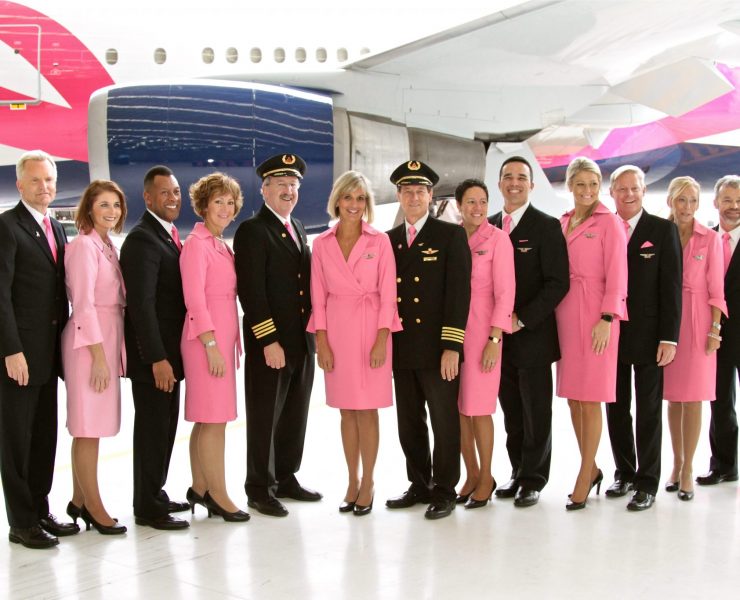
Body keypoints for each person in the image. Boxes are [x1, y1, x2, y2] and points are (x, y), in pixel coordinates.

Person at [308, 171, 401, 516]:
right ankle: (352, 479)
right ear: (337, 200)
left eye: (361, 198)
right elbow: (317, 297)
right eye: (348, 197)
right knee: (346, 410)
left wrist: (381, 339)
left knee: (367, 409)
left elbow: (389, 295)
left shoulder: (379, 241)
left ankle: (369, 481)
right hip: (337, 331)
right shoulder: (322, 243)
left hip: (371, 329)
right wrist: (322, 341)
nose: (354, 205)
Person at [234, 154, 321, 518]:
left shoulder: (297, 226)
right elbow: (252, 292)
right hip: (272, 343)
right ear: (265, 189)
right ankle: (259, 487)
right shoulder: (253, 230)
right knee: (265, 416)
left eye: (293, 185)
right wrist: (269, 341)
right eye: (281, 184)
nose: (288, 191)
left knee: (295, 413)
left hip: (301, 340)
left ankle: (285, 476)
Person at [0, 150, 79, 548]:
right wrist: (10, 350)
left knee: (44, 437)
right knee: (17, 440)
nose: (44, 187)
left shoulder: (56, 228)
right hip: (20, 355)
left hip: (48, 353)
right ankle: (21, 521)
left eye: (48, 180)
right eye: (35, 180)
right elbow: (0, 295)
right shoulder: (7, 227)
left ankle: (39, 507)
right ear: (19, 185)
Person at [385, 160, 472, 520]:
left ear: (431, 195)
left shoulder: (450, 235)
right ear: (399, 196)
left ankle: (445, 489)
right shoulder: (388, 240)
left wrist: (452, 346)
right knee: (409, 423)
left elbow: (459, 296)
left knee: (444, 422)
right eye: (407, 191)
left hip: (438, 348)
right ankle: (419, 483)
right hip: (403, 346)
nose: (414, 197)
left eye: (420, 191)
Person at [489, 156, 569, 508]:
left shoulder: (546, 226)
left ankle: (533, 479)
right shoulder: (489, 225)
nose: (514, 183)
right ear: (499, 183)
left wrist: (522, 319)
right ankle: (517, 469)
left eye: (521, 177)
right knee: (511, 410)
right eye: (508, 177)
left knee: (536, 412)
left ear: (531, 185)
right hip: (497, 338)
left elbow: (557, 283)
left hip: (532, 335)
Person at [604, 165, 682, 511]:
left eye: (634, 188)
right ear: (612, 193)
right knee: (616, 407)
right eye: (621, 189)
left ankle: (647, 481)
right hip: (611, 333)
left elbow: (672, 288)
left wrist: (669, 337)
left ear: (644, 190)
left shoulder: (663, 230)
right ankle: (624, 472)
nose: (628, 194)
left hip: (650, 336)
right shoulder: (605, 228)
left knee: (648, 410)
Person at [555, 156, 628, 511]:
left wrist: (608, 317)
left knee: (591, 397)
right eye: (581, 184)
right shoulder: (563, 221)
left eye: (594, 184)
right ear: (570, 185)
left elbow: (618, 273)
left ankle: (585, 471)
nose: (587, 191)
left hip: (598, 315)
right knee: (573, 396)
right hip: (567, 313)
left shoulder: (609, 222)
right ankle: (592, 465)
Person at [120, 165, 190, 530]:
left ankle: (155, 493)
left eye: (176, 192)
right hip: (155, 360)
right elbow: (141, 306)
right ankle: (147, 506)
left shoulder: (167, 235)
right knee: (152, 431)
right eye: (165, 193)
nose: (172, 199)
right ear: (148, 197)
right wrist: (157, 359)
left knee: (164, 429)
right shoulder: (142, 239)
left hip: (170, 356)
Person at [180, 173, 248, 522]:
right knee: (214, 419)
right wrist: (210, 344)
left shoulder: (219, 244)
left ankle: (200, 487)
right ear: (204, 206)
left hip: (218, 338)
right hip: (206, 340)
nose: (225, 208)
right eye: (218, 201)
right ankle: (218, 494)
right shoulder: (197, 244)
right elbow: (194, 299)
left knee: (207, 418)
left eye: (230, 202)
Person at [62, 180, 128, 535]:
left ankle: (78, 498)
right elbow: (84, 305)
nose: (111, 212)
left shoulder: (107, 246)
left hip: (106, 337)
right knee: (87, 427)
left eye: (116, 205)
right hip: (89, 344)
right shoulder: (83, 246)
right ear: (88, 208)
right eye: (103, 205)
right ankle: (93, 506)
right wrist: (99, 358)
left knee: (93, 426)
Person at [663, 176, 727, 501]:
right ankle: (676, 463)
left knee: (694, 398)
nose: (687, 207)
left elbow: (717, 289)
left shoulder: (710, 238)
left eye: (692, 201)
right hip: (669, 322)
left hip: (699, 320)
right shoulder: (662, 233)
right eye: (681, 200)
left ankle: (689, 467)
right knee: (674, 398)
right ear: (670, 201)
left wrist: (715, 330)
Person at [454, 178, 515, 510]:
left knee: (479, 409)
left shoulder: (498, 239)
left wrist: (495, 337)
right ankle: (472, 473)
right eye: (471, 202)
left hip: (483, 334)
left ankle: (487, 476)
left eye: (482, 202)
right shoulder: (452, 237)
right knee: (459, 410)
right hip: (454, 333)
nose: (477, 208)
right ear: (459, 206)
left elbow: (505, 294)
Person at [698, 175, 740, 487]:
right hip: (717, 334)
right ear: (716, 202)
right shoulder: (706, 239)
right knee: (720, 403)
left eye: (739, 201)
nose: (734, 206)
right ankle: (724, 466)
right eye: (728, 200)